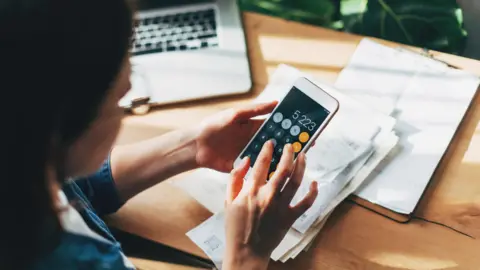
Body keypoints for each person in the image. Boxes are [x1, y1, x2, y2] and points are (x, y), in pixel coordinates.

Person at [0, 0, 318, 269]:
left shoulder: (22, 162)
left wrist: (193, 147)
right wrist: (246, 256)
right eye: (119, 100)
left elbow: (77, 186)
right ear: (61, 125)